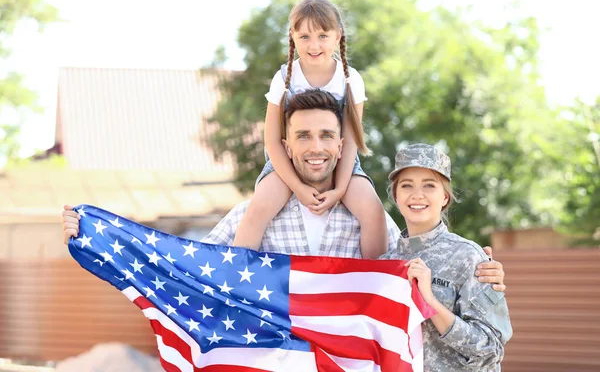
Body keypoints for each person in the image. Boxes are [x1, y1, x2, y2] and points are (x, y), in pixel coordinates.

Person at [62, 90, 506, 290]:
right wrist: (100, 236)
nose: (316, 148)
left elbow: (413, 275)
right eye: (304, 136)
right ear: (285, 145)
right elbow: (190, 267)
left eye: (327, 135)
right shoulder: (249, 215)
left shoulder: (370, 217)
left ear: (343, 144)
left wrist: (479, 271)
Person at [232, 0, 388, 259]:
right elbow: (272, 141)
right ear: (292, 36)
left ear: (338, 36)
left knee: (372, 209)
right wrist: (297, 187)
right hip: (287, 161)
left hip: (340, 161)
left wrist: (339, 188)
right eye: (304, 37)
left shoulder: (351, 81)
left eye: (322, 36)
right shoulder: (283, 79)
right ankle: (235, 279)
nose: (314, 45)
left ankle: (376, 283)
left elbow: (350, 140)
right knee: (259, 207)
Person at [380, 143, 512, 371]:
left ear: (444, 197)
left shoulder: (468, 256)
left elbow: (490, 349)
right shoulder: (383, 265)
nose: (417, 194)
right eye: (406, 185)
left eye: (429, 185)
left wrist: (430, 303)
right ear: (396, 196)